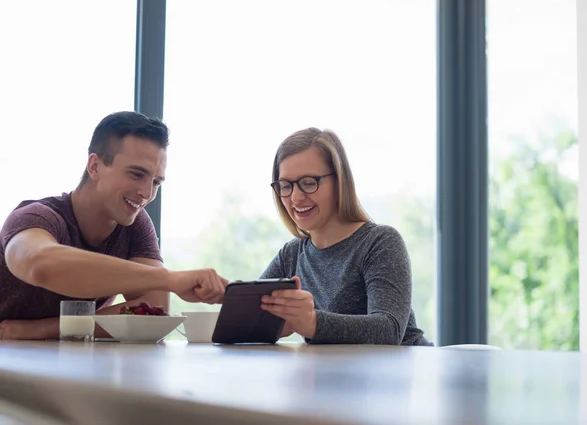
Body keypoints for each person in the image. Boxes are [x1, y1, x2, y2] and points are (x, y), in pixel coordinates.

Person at [0, 111, 227, 340]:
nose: (146, 194)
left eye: (156, 182)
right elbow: (40, 264)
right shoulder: (36, 217)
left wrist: (45, 329)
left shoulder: (135, 224)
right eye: (137, 174)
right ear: (95, 166)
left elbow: (154, 307)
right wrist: (172, 279)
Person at [260, 128, 433, 345]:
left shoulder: (380, 242)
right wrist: (225, 292)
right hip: (337, 376)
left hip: (404, 373)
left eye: (309, 183)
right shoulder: (292, 254)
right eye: (286, 186)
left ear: (339, 181)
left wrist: (312, 323)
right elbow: (253, 315)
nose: (295, 197)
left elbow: (389, 331)